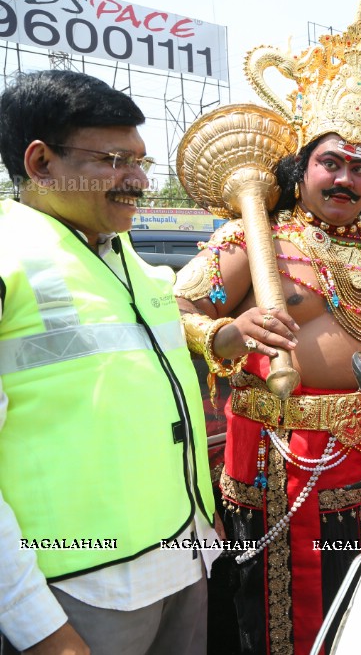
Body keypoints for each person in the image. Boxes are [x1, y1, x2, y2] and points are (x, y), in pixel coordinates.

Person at [173, 0, 361, 655]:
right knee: (274, 623)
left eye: (360, 166)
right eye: (331, 162)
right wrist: (228, 334)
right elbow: (176, 309)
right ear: (303, 169)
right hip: (278, 459)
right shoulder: (254, 239)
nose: (345, 177)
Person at [0, 71, 217, 654]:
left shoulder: (125, 257)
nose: (140, 181)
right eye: (115, 160)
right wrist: (37, 626)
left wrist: (201, 521)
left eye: (141, 161)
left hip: (182, 562)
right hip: (77, 593)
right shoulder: (7, 259)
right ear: (41, 163)